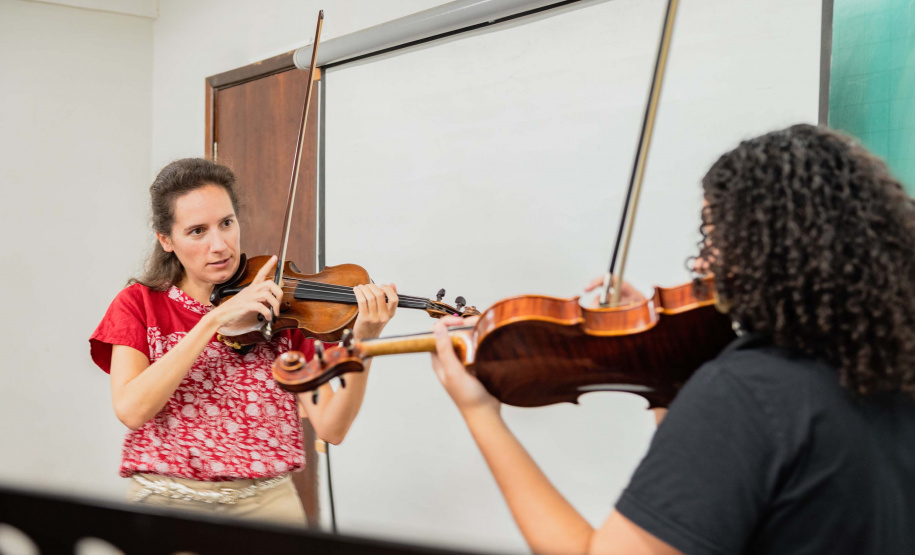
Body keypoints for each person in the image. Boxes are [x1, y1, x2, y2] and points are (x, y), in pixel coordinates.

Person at [429, 124, 915, 554]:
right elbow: (707, 500)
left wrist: (479, 412)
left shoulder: (745, 393)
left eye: (713, 238)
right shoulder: (884, 368)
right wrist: (661, 354)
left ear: (766, 248)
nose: (703, 262)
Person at [90, 158, 397, 525]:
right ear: (166, 239)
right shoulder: (139, 304)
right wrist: (214, 320)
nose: (219, 245)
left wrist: (361, 344)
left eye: (226, 223)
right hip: (168, 502)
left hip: (268, 504)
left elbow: (332, 427)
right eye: (197, 231)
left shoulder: (283, 307)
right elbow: (132, 409)